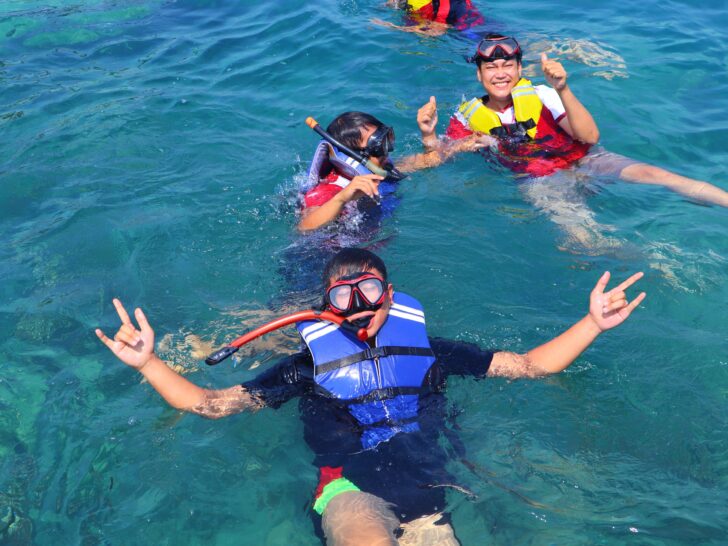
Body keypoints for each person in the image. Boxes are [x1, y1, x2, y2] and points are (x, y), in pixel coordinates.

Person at [96, 248, 645, 545]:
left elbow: (528, 366)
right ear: (327, 305)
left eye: (372, 292)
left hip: (430, 490)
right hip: (348, 492)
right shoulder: (304, 367)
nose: (360, 305)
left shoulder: (432, 350)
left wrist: (591, 324)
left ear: (391, 294)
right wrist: (148, 362)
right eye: (344, 295)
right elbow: (210, 404)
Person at [418, 34, 728, 207]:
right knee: (583, 237)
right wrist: (429, 136)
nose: (500, 73)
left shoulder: (542, 94)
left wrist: (562, 88)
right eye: (491, 67)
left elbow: (589, 137)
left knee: (657, 174)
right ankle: (654, 266)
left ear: (519, 69)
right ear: (479, 74)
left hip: (587, 161)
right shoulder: (467, 116)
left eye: (507, 65)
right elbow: (439, 157)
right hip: (539, 180)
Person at [299, 111, 480, 232]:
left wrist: (430, 135)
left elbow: (429, 161)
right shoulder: (329, 191)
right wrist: (343, 198)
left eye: (387, 140)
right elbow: (304, 228)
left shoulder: (381, 170)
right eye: (379, 147)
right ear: (353, 158)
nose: (387, 151)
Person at [371, 0, 485, 37]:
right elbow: (391, 4)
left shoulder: (446, 5)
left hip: (470, 32)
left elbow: (437, 31)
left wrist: (391, 27)